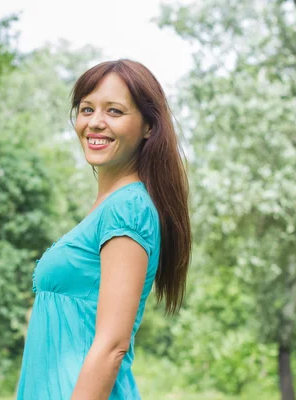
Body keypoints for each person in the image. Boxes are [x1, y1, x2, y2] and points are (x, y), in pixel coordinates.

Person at [16, 59, 192, 399]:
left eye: (114, 111)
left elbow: (113, 345)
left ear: (148, 127)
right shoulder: (111, 207)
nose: (95, 123)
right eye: (86, 109)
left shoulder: (128, 208)